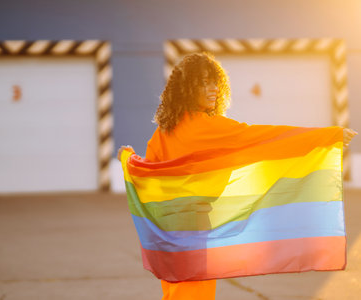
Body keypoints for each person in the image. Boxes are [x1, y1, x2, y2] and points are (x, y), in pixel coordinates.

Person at [117, 52, 358, 300]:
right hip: (194, 230)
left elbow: (150, 173)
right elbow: (264, 138)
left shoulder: (164, 131)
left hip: (165, 232)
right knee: (194, 293)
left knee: (175, 291)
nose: (213, 90)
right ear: (186, 89)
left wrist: (129, 159)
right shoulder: (210, 127)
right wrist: (326, 137)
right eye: (203, 83)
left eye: (215, 83)